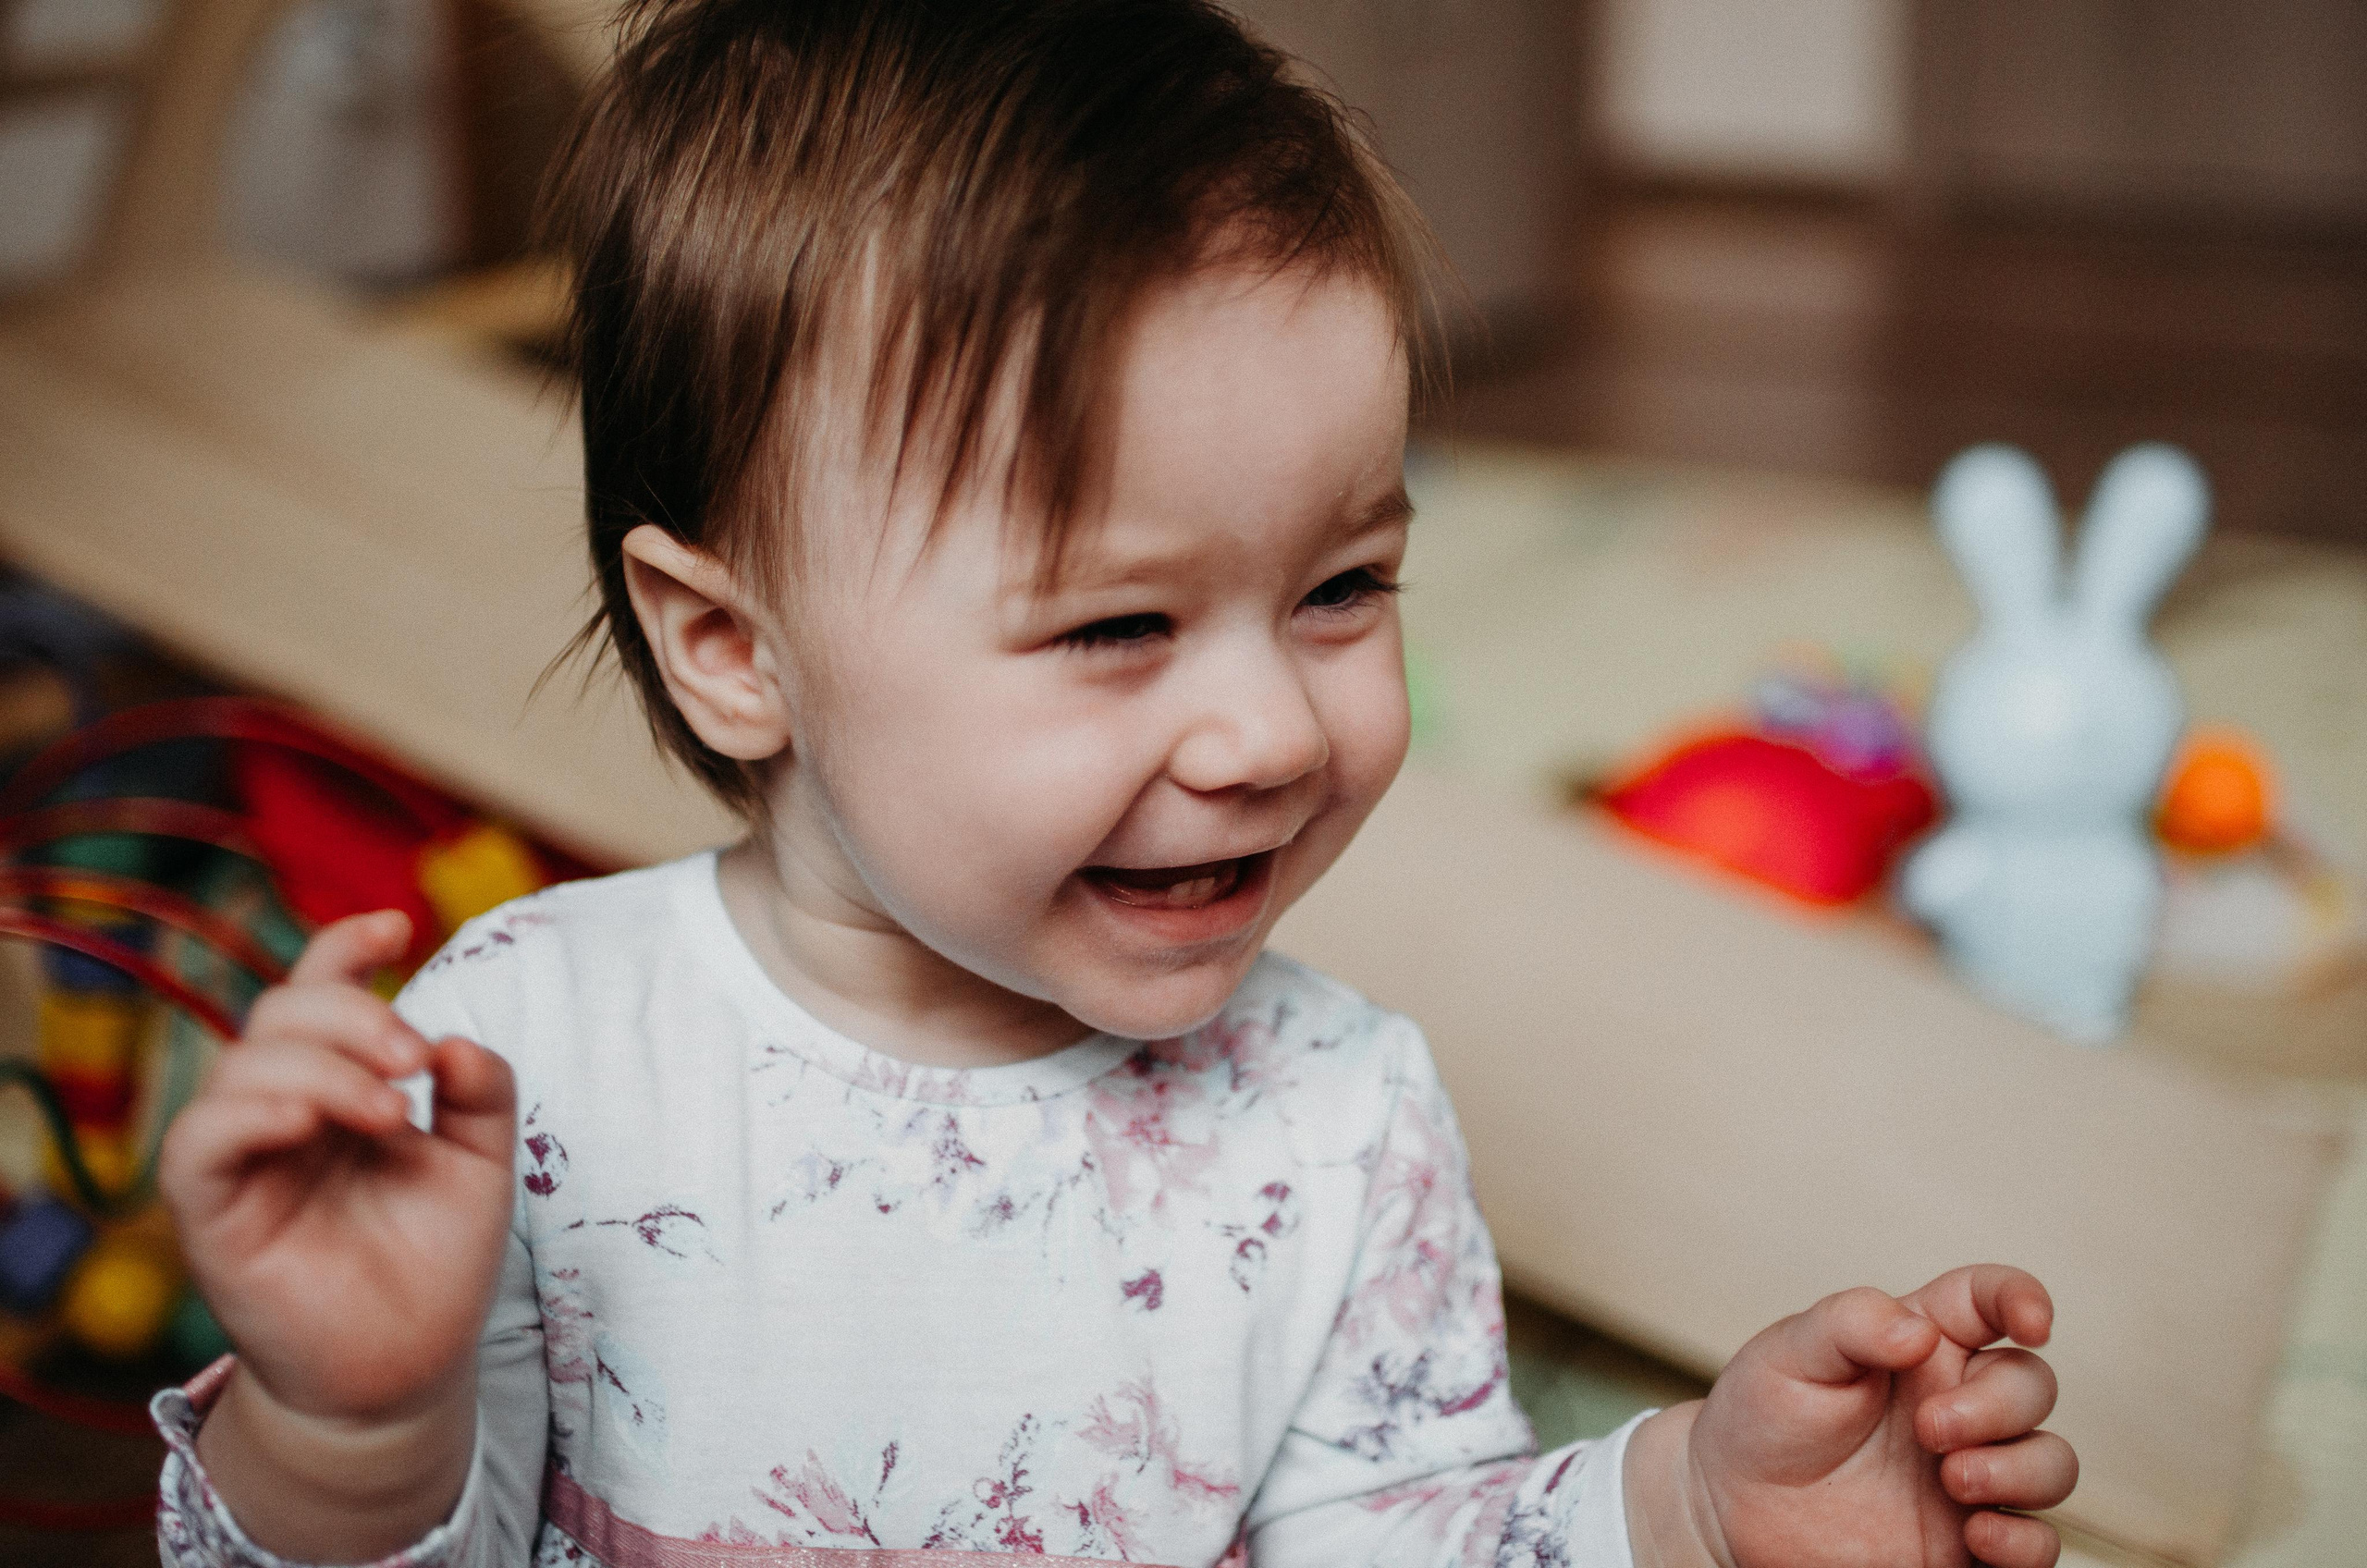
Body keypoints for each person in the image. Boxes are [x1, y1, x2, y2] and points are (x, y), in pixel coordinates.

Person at [152, 2, 2078, 1564]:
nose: (1268, 734)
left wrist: (1688, 1507)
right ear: (731, 648)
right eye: (1112, 628)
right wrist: (351, 1418)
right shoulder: (526, 1059)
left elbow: (1415, 1539)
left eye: (1338, 588)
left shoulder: (1332, 1115)